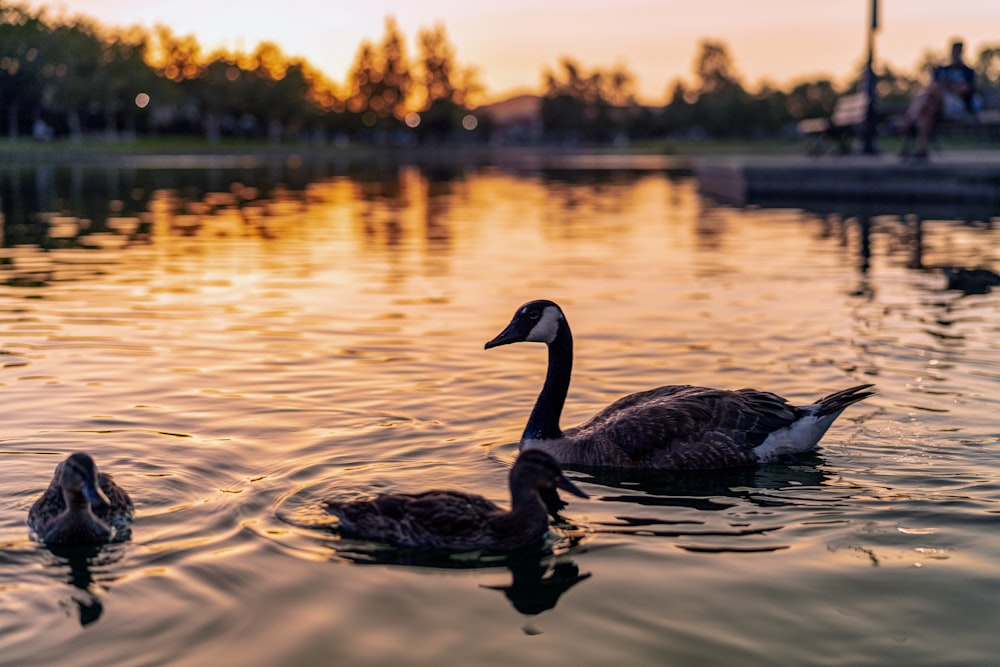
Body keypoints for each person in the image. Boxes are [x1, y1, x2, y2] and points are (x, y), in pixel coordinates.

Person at [900, 40, 978, 159]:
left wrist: (947, 87)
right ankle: (921, 149)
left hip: (956, 106)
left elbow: (964, 90)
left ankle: (909, 119)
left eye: (958, 51)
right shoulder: (943, 69)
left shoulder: (967, 71)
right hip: (937, 107)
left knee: (932, 91)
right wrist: (950, 87)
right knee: (926, 113)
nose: (956, 54)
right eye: (954, 51)